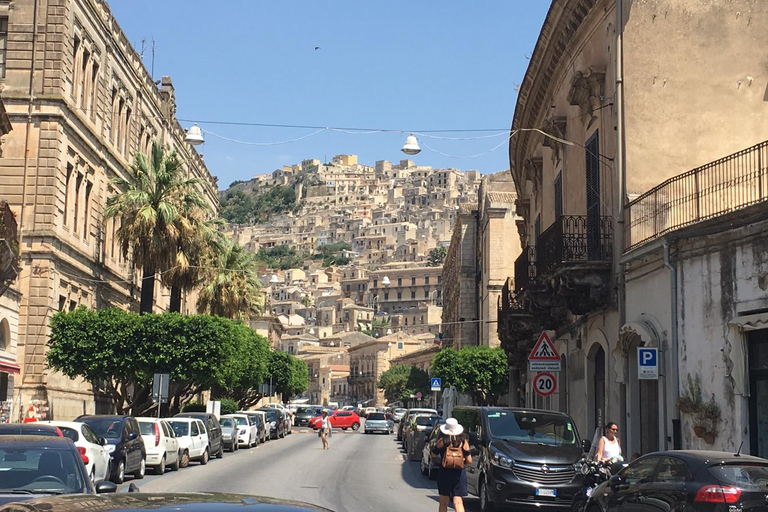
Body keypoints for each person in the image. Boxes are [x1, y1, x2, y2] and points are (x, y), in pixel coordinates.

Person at [432, 418, 471, 512]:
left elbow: (433, 454)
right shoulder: (463, 442)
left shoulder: (442, 441)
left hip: (444, 472)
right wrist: (462, 461)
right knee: (458, 502)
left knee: (443, 502)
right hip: (459, 473)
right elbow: (469, 460)